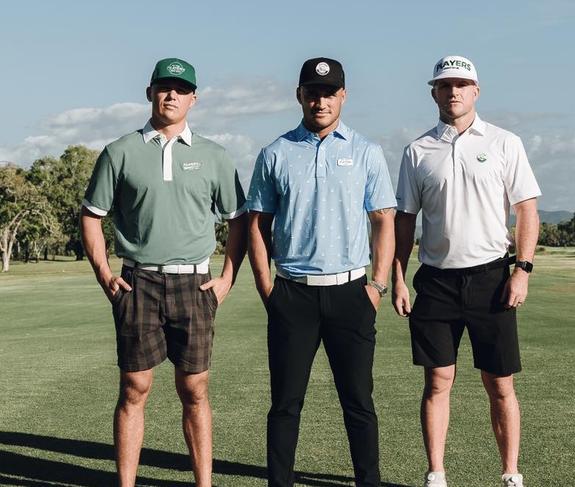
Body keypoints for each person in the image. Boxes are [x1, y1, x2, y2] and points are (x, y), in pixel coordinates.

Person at [80, 57, 247, 487]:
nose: (171, 95)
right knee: (134, 388)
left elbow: (238, 220)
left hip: (195, 283)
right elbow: (91, 215)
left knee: (195, 390)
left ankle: (203, 484)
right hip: (139, 282)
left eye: (181, 89)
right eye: (163, 87)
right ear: (150, 92)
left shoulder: (214, 155)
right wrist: (104, 274)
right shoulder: (120, 152)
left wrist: (227, 277)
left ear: (194, 98)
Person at [392, 55, 540, 487]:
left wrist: (523, 270)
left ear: (476, 90)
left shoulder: (504, 142)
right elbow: (405, 220)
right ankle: (436, 473)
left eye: (461, 84)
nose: (453, 92)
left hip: (493, 278)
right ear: (433, 92)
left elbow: (526, 209)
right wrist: (399, 276)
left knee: (500, 384)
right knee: (438, 381)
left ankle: (511, 473)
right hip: (436, 280)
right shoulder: (417, 150)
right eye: (444, 85)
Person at [247, 57, 396, 487]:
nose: (320, 101)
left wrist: (378, 285)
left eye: (329, 93)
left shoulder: (366, 151)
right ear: (299, 96)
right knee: (285, 404)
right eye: (312, 93)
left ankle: (368, 481)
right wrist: (266, 286)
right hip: (293, 294)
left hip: (351, 292)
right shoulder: (275, 153)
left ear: (343, 96)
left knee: (359, 402)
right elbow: (259, 223)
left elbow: (383, 218)